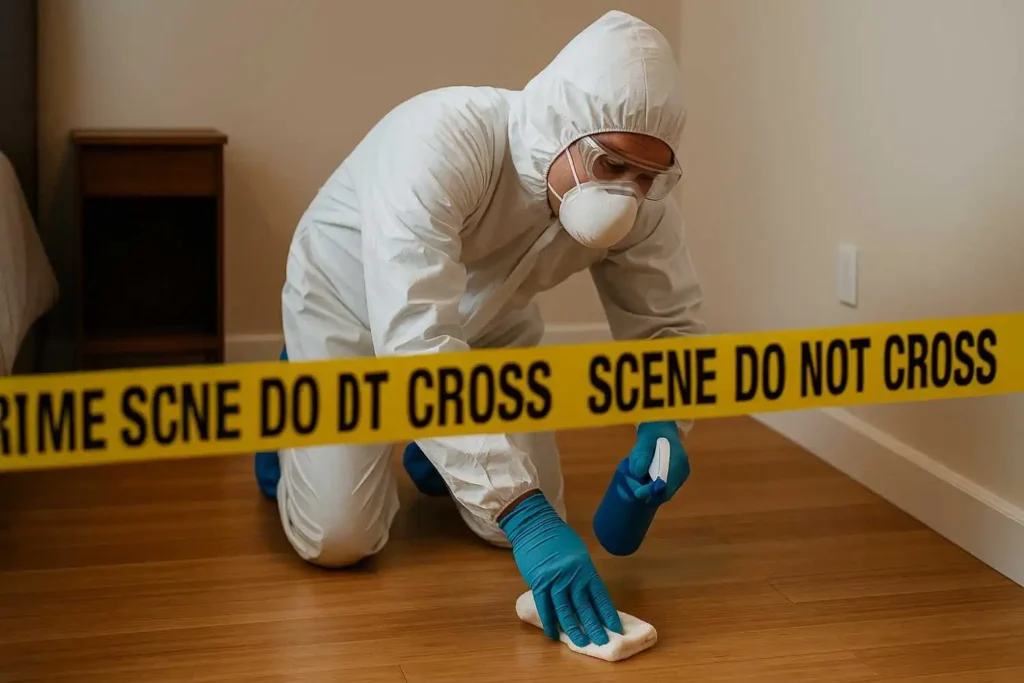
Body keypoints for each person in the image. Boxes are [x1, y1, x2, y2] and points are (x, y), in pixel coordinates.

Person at [255, 10, 704, 649]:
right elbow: (416, 341)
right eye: (611, 166)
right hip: (353, 305)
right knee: (338, 539)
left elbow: (668, 323)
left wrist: (665, 421)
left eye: (647, 176)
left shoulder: (643, 205)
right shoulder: (442, 138)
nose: (628, 196)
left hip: (491, 323)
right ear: (563, 127)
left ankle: (427, 446)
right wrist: (526, 516)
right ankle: (293, 410)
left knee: (507, 524)